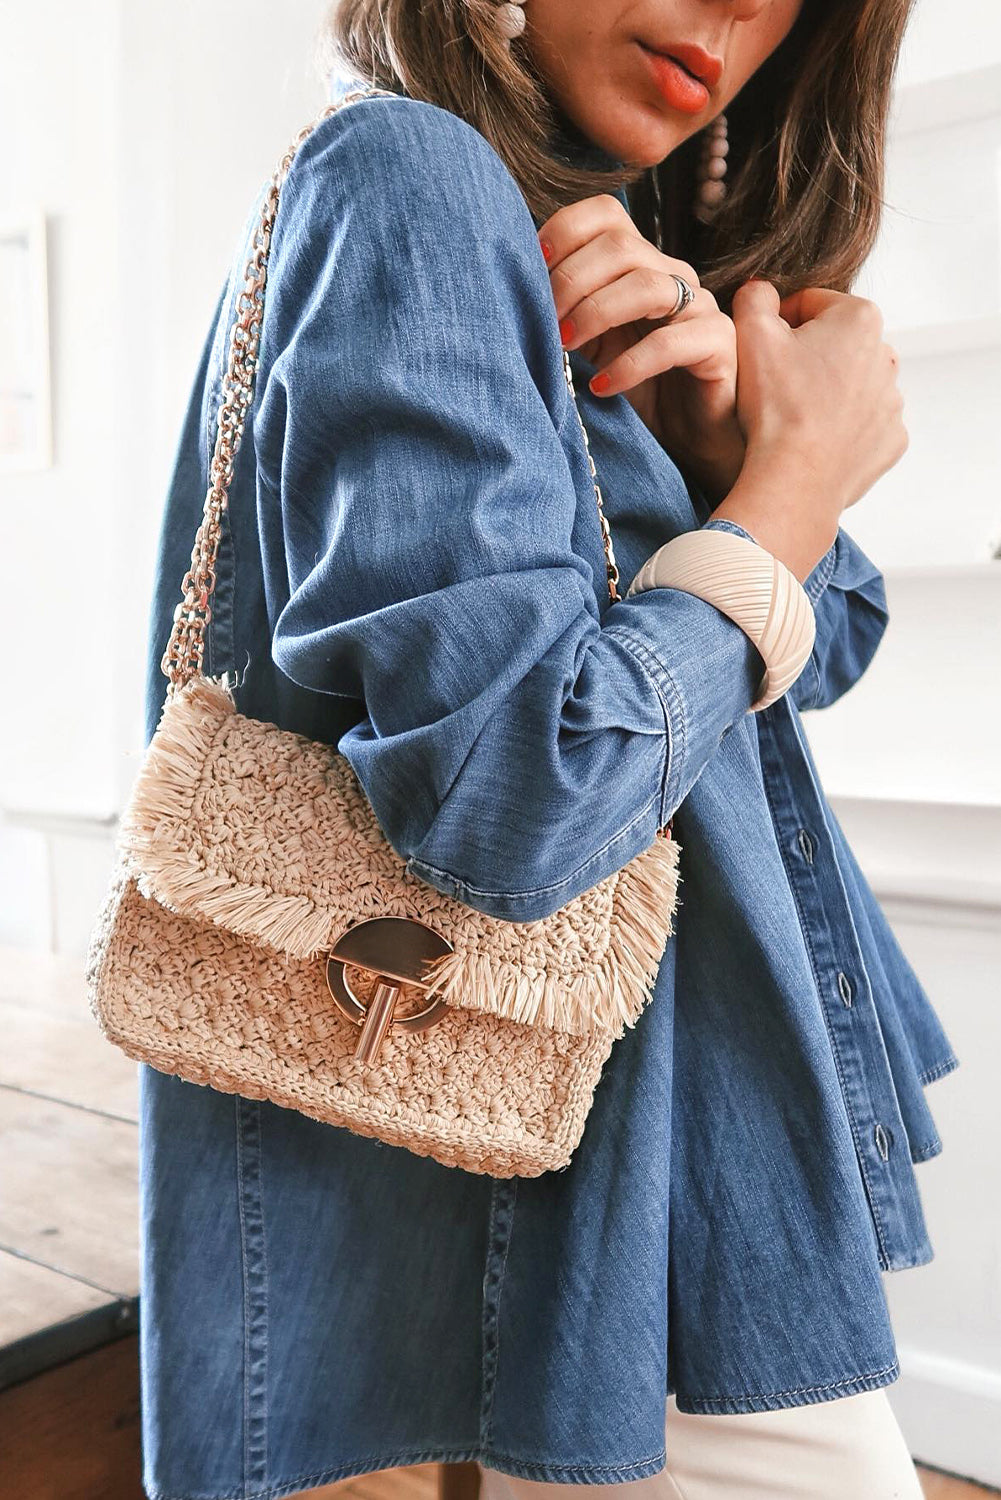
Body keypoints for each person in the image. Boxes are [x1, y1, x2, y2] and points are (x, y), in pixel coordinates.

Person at [135, 1, 959, 1496]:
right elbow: (511, 797)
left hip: (627, 1143)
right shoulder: (412, 177)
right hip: (626, 1169)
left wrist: (722, 458)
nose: (735, 12)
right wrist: (787, 484)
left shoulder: (571, 237)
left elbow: (813, 653)